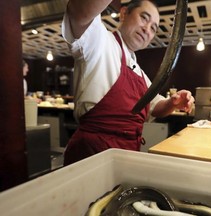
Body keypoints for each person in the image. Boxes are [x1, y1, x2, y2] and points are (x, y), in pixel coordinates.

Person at [62, 0, 195, 165]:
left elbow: (154, 106)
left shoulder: (137, 69)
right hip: (92, 154)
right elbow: (78, 12)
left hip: (126, 155)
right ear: (123, 13)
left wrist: (173, 102)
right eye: (144, 18)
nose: (147, 29)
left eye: (153, 28)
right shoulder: (99, 41)